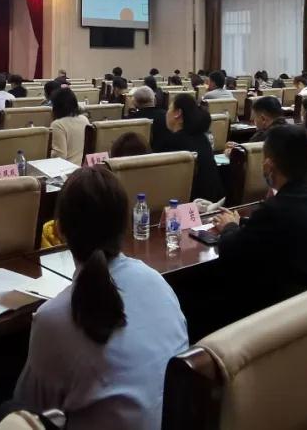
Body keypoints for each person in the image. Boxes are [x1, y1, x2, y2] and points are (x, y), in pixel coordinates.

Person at [13, 166, 188, 428]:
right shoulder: (158, 283)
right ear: (125, 225)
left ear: (59, 231)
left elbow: (27, 412)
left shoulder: (52, 318)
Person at [212, 125, 307, 316]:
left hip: (301, 317)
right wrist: (245, 225)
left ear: (268, 166)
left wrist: (229, 226)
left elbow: (231, 250)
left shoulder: (274, 209)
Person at [229, 95, 307, 186]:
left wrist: (230, 152)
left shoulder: (268, 135)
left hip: (297, 191)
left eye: (255, 118)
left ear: (263, 119)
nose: (254, 121)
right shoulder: (298, 131)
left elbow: (246, 157)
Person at [160, 94, 224, 202]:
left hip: (192, 204)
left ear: (178, 113)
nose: (167, 113)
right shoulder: (202, 137)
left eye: (169, 108)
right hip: (212, 201)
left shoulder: (172, 142)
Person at [50, 88, 91, 164]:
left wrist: (46, 152)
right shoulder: (84, 119)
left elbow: (60, 156)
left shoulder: (58, 124)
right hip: (84, 167)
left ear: (56, 106)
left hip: (67, 168)